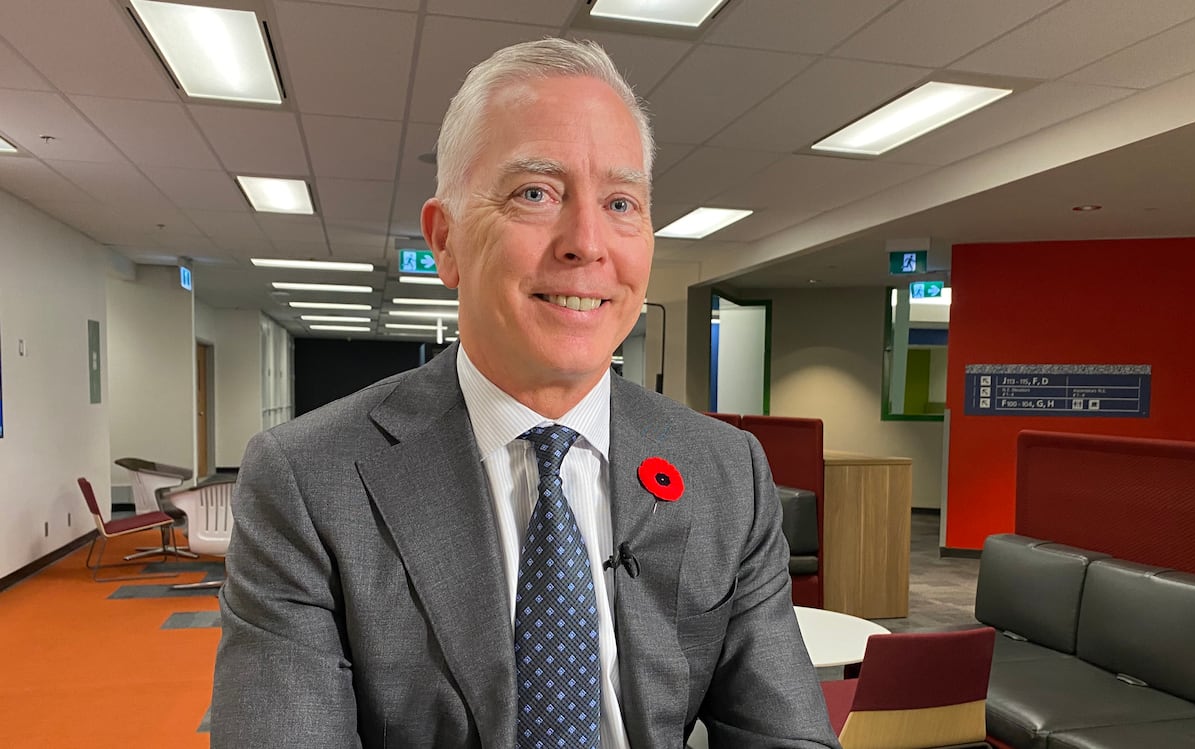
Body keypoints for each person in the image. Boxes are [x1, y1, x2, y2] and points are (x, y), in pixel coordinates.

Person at [211, 38, 839, 749]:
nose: (587, 242)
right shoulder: (307, 483)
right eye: (535, 193)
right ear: (445, 241)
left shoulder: (727, 471)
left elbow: (787, 734)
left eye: (621, 201)